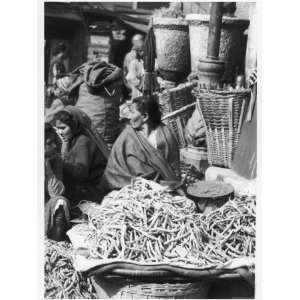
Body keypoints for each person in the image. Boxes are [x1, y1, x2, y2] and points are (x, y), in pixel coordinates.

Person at [101, 95, 181, 192]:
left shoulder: (165, 135)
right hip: (129, 187)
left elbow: (173, 169)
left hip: (162, 188)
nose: (129, 117)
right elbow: (114, 166)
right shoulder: (127, 135)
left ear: (145, 117)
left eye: (132, 112)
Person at [53, 106, 109, 204]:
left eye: (63, 128)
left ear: (74, 125)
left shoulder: (83, 141)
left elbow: (81, 173)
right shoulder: (70, 140)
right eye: (57, 128)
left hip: (92, 190)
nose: (60, 132)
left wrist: (59, 161)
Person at [44, 123, 70, 241]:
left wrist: (48, 169)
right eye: (49, 143)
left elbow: (56, 193)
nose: (54, 146)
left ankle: (54, 243)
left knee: (60, 202)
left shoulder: (55, 160)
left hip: (44, 210)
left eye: (54, 142)